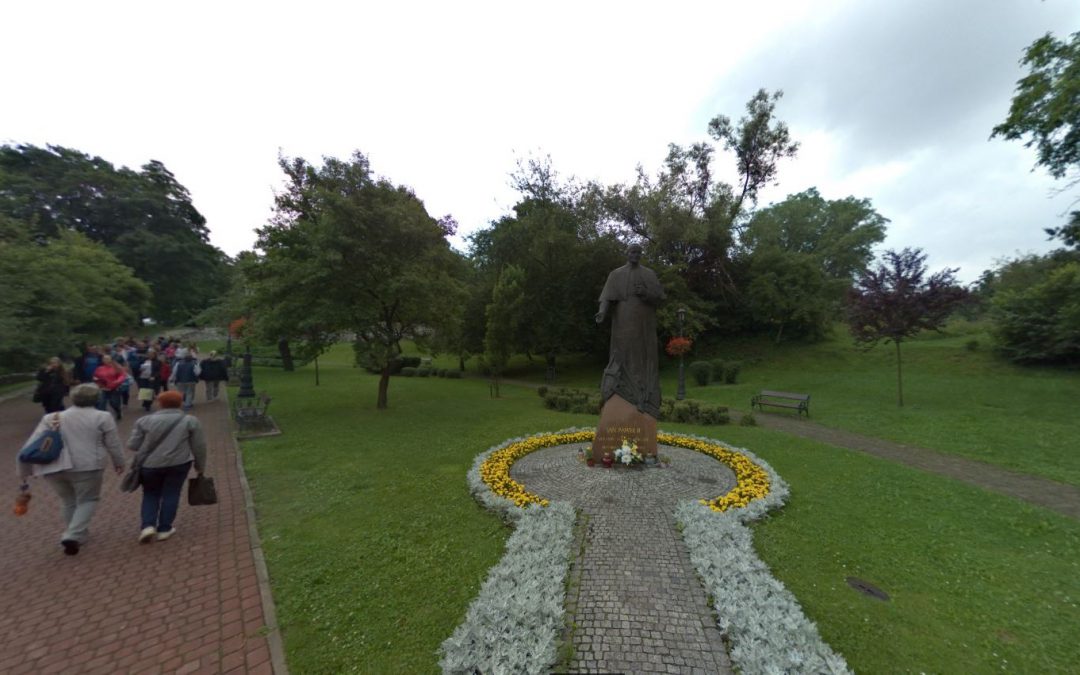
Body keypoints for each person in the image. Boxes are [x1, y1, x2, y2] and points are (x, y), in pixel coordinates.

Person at [17, 384, 125, 555]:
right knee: (88, 500)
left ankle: (77, 534)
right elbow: (112, 443)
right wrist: (119, 461)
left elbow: (32, 444)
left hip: (54, 465)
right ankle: (73, 534)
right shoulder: (102, 417)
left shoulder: (52, 417)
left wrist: (25, 470)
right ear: (96, 399)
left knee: (68, 500)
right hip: (88, 464)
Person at [595, 243, 666, 418]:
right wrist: (602, 313)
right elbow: (606, 297)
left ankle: (644, 395)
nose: (635, 255)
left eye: (638, 252)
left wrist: (646, 293)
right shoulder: (616, 274)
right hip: (623, 323)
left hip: (644, 325)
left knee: (642, 357)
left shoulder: (649, 274)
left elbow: (660, 298)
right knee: (622, 354)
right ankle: (620, 389)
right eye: (632, 252)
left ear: (641, 255)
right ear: (627, 254)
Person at [125, 390, 207, 543]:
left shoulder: (144, 421)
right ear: (180, 403)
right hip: (179, 463)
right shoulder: (190, 421)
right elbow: (199, 446)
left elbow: (133, 445)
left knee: (150, 494)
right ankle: (165, 528)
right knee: (172, 493)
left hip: (150, 465)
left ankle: (147, 525)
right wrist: (200, 465)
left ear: (160, 403)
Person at [92, 355, 128, 420]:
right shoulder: (99, 368)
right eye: (104, 359)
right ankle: (102, 418)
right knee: (101, 403)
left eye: (107, 359)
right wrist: (98, 382)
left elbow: (122, 375)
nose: (106, 360)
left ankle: (118, 412)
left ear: (111, 360)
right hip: (103, 388)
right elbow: (95, 377)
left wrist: (117, 381)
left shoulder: (116, 367)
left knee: (114, 403)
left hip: (114, 388)